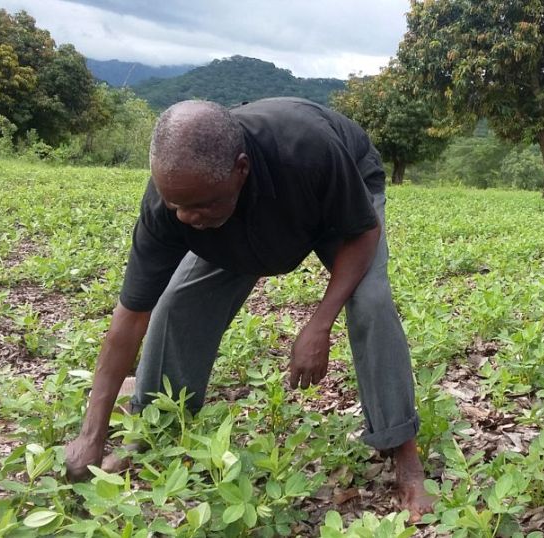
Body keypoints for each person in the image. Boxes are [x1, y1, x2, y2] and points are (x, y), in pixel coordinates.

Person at [63, 97, 433, 520]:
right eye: (175, 205)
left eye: (199, 204)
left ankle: (404, 452)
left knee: (370, 301)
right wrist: (91, 435)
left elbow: (364, 234)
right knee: (177, 301)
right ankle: (154, 427)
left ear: (240, 169)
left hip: (337, 197)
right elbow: (129, 320)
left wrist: (319, 323)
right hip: (242, 210)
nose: (186, 216)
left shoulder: (307, 150)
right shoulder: (174, 203)